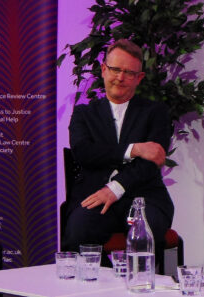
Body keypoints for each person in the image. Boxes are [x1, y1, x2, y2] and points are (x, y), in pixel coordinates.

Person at [62, 39, 174, 259]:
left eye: (129, 72)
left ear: (139, 78)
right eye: (114, 69)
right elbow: (84, 152)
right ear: (104, 70)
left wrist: (116, 188)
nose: (120, 77)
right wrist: (133, 149)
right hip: (95, 195)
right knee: (78, 232)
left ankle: (142, 289)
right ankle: (92, 292)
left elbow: (150, 163)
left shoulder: (156, 112)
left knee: (146, 233)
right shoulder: (83, 113)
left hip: (144, 196)